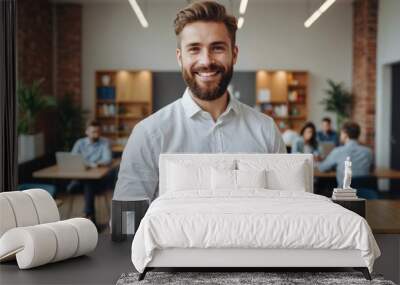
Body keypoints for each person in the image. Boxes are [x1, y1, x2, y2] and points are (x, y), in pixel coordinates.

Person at [113, 1, 286, 201]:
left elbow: (283, 207)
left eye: (217, 48)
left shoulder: (265, 130)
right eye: (194, 49)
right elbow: (126, 222)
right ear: (180, 57)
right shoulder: (149, 134)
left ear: (234, 54)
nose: (206, 61)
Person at [67, 120, 112, 223]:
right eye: (93, 132)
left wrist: (90, 164)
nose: (96, 134)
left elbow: (107, 159)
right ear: (86, 132)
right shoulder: (80, 143)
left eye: (98, 132)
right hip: (81, 174)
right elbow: (72, 158)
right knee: (87, 183)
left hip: (98, 180)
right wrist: (92, 163)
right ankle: (90, 218)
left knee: (89, 183)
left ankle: (88, 215)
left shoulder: (104, 142)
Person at [318, 121, 373, 187]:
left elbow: (322, 168)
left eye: (341, 133)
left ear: (345, 134)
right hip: (364, 193)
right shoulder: (368, 152)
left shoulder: (338, 151)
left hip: (344, 194)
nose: (340, 135)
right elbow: (371, 169)